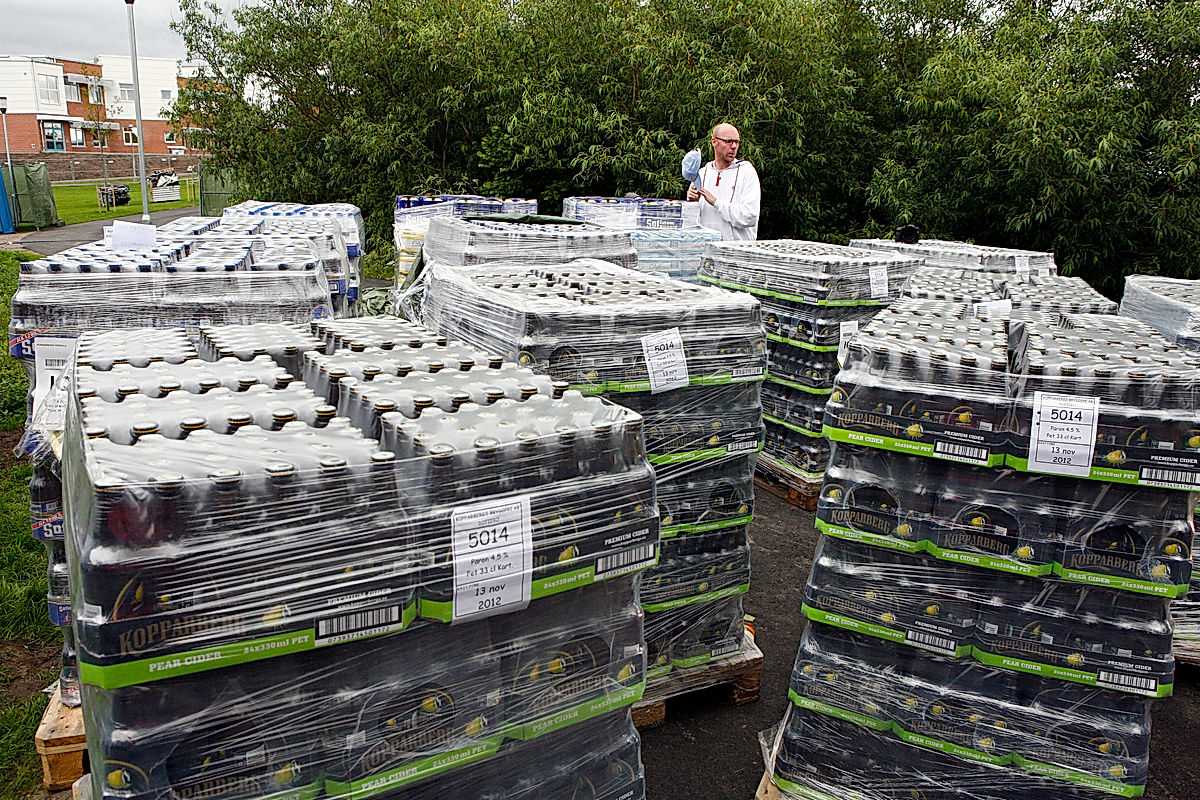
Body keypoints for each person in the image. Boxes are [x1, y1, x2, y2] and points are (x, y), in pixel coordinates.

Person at [686, 123, 760, 240]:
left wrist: (716, 202)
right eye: (729, 141)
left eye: (737, 142)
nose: (734, 146)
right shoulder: (701, 174)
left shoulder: (746, 171)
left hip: (736, 253)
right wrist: (692, 203)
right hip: (706, 252)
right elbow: (691, 223)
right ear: (714, 141)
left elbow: (749, 217)